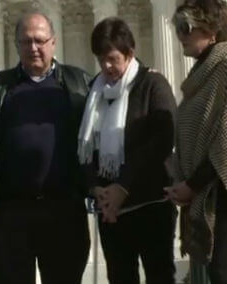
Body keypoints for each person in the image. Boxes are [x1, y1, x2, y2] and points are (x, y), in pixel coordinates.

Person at [0, 12, 91, 284]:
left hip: (64, 210)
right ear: (16, 45)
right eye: (25, 42)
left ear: (53, 42)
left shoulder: (78, 84)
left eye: (39, 40)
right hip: (12, 212)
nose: (33, 48)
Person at [165, 0, 227, 284]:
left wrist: (192, 185)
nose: (181, 35)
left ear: (211, 31)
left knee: (225, 275)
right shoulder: (199, 77)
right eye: (178, 27)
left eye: (187, 27)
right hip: (203, 191)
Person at [79, 17, 177, 284]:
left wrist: (123, 186)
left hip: (151, 204)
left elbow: (162, 140)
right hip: (111, 212)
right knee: (120, 277)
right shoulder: (95, 93)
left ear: (130, 53)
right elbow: (86, 146)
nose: (106, 67)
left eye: (112, 58)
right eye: (101, 60)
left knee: (159, 276)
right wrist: (95, 189)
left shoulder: (152, 85)